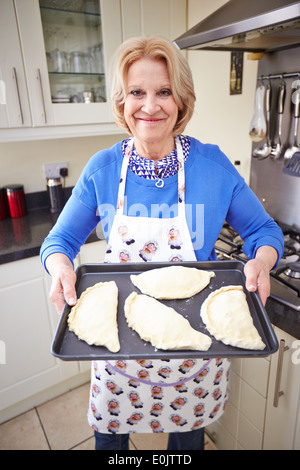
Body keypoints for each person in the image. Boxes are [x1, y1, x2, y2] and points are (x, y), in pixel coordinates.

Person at [40, 36, 284, 450]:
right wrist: (61, 266)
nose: (150, 106)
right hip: (118, 354)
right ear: (122, 101)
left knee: (186, 444)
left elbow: (265, 232)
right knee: (111, 445)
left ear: (181, 100)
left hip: (194, 354)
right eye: (137, 92)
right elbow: (60, 240)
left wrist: (262, 260)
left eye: (164, 92)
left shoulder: (213, 167)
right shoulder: (104, 169)